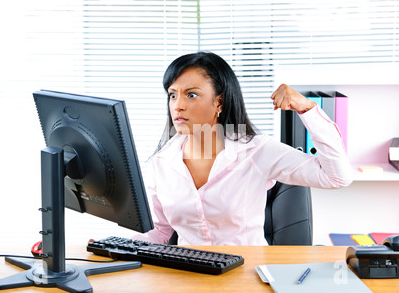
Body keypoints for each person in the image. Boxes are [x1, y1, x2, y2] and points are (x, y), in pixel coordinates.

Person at [133, 51, 352, 246]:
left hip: (246, 274)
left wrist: (308, 110)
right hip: (189, 276)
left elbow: (337, 177)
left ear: (219, 102)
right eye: (172, 95)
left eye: (191, 95)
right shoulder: (162, 161)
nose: (177, 105)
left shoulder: (256, 151)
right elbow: (159, 231)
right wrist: (113, 247)